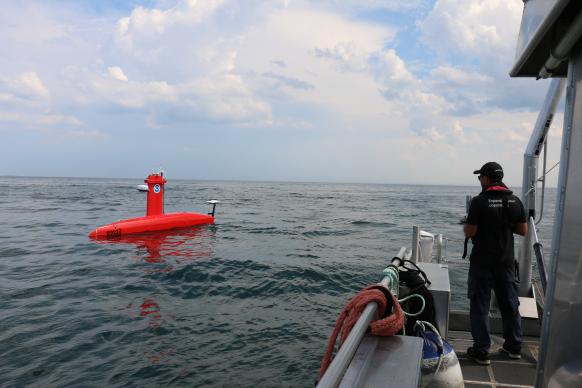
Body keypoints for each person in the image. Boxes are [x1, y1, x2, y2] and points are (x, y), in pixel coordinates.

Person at [463, 162, 528, 365]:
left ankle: (482, 351)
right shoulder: (515, 201)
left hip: (483, 263)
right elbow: (523, 230)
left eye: (480, 177)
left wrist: (469, 224)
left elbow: (470, 232)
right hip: (506, 262)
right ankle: (514, 346)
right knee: (509, 305)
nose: (480, 180)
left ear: (487, 178)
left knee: (480, 306)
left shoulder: (479, 202)